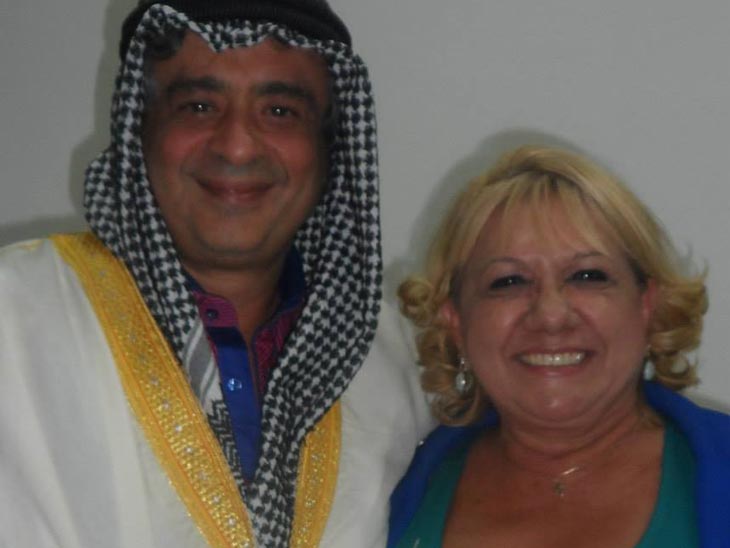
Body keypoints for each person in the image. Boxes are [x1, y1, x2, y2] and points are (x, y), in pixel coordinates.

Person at [0, 1, 432, 546]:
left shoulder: (401, 368)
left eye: (280, 111)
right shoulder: (14, 317)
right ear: (139, 132)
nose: (237, 146)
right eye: (199, 106)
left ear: (329, 153)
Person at [388, 146, 730, 547]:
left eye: (587, 276)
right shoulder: (386, 487)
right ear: (456, 322)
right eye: (508, 281)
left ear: (647, 306)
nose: (551, 315)